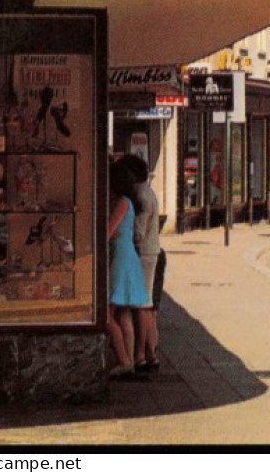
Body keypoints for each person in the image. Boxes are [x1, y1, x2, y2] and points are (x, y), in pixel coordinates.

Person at [117, 155, 163, 371]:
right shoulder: (149, 192)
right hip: (151, 251)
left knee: (141, 306)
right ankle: (148, 353)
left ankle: (141, 355)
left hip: (143, 253)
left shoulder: (141, 197)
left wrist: (123, 233)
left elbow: (138, 234)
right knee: (145, 305)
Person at [107, 160, 150, 379]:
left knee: (108, 314)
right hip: (127, 256)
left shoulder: (121, 203)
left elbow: (108, 231)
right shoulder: (129, 202)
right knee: (124, 312)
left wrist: (109, 231)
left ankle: (124, 359)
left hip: (121, 259)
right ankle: (130, 361)